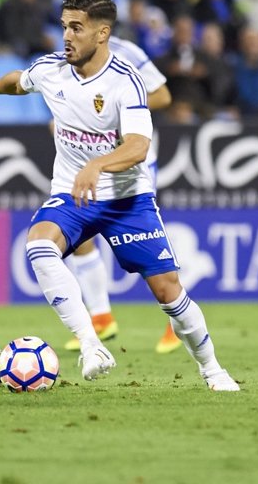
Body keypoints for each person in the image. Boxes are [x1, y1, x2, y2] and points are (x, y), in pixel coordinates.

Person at [0, 0, 239, 391]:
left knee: (169, 294)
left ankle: (212, 369)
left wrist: (97, 164)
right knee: (39, 245)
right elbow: (19, 81)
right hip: (73, 194)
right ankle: (92, 345)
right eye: (64, 27)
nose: (67, 37)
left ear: (102, 33)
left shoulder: (125, 82)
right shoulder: (51, 69)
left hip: (127, 200)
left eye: (76, 28)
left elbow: (138, 146)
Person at [61, 34, 182, 355]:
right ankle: (100, 315)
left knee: (144, 241)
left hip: (128, 161)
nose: (71, 30)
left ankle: (176, 320)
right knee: (79, 229)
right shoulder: (69, 55)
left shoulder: (129, 52)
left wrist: (118, 107)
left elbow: (163, 96)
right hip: (91, 158)